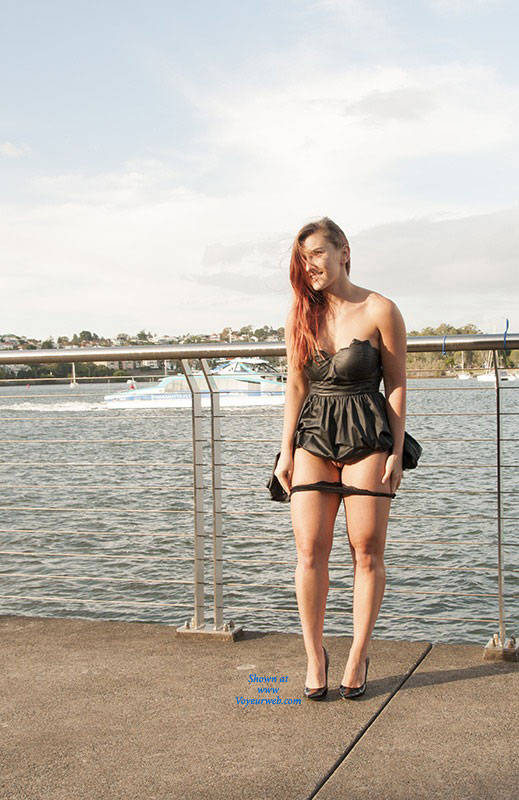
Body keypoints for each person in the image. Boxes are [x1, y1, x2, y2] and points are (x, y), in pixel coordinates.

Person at [275, 216, 414, 701]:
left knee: (367, 548)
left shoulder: (380, 309)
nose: (309, 265)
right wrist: (285, 450)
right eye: (303, 258)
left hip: (367, 433)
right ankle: (315, 655)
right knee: (310, 549)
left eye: (317, 253)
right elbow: (296, 386)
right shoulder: (299, 315)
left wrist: (396, 451)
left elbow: (396, 384)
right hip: (314, 434)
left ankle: (358, 653)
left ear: (344, 251)